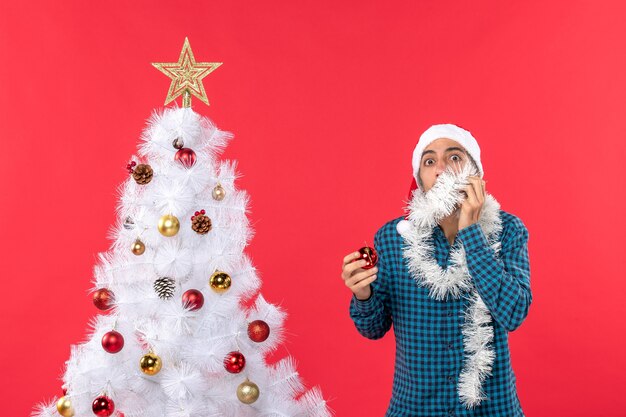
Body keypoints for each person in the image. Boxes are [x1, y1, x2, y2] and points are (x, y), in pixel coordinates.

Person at [342, 124, 531, 417]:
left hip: (492, 408)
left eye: (454, 157)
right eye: (429, 161)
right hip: (415, 408)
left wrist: (470, 231)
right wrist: (362, 293)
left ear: (476, 173)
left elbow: (513, 313)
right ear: (420, 179)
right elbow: (373, 329)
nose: (440, 168)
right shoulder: (393, 238)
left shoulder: (508, 230)